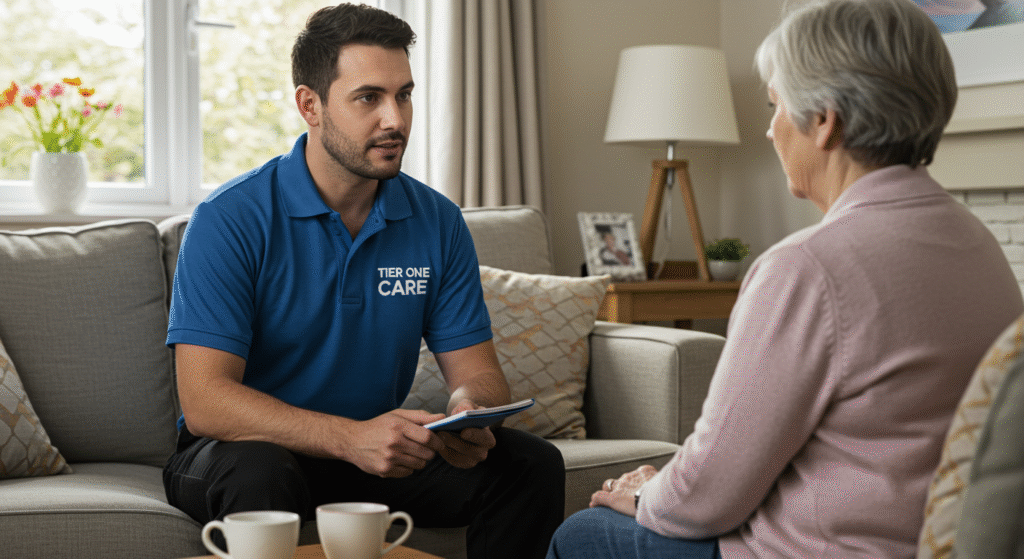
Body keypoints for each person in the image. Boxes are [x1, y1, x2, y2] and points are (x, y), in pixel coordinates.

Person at [547, 0, 1024, 557]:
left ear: (824, 120)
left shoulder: (806, 269)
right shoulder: (980, 246)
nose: (771, 129)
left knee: (582, 535)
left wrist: (649, 491)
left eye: (775, 105)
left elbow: (709, 496)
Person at [162, 4, 564, 558]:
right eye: (368, 97)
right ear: (311, 105)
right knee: (261, 470)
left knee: (528, 463)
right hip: (239, 450)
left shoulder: (437, 221)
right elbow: (206, 400)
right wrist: (348, 438)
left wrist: (467, 417)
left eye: (404, 94)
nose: (395, 120)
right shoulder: (230, 218)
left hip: (373, 452)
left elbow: (479, 375)